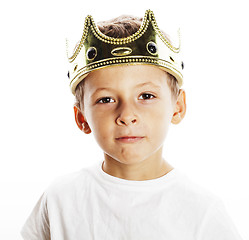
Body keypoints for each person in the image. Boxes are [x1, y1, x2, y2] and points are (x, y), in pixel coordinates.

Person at [21, 10, 242, 240]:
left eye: (146, 96)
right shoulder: (60, 199)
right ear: (82, 118)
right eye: (106, 99)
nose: (127, 115)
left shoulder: (203, 213)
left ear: (177, 106)